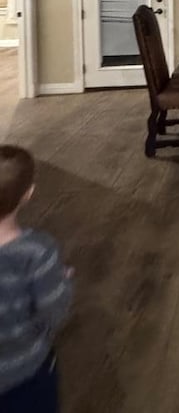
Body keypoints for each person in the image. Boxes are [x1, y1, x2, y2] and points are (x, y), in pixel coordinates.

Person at [0, 145, 74, 412]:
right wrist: (60, 280)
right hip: (26, 372)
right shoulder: (38, 252)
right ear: (28, 194)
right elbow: (54, 312)